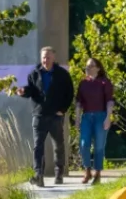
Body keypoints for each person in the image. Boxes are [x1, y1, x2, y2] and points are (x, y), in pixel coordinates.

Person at [19, 47, 74, 187]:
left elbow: (70, 93)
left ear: (53, 58)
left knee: (58, 146)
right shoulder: (34, 73)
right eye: (44, 57)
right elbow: (31, 90)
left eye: (48, 57)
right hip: (39, 115)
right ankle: (39, 175)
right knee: (38, 147)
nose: (45, 60)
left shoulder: (62, 74)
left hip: (55, 116)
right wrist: (23, 91)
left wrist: (63, 109)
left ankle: (59, 173)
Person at [76, 58, 115, 185]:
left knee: (99, 146)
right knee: (83, 144)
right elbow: (78, 103)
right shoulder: (83, 83)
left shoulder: (104, 82)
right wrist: (77, 119)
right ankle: (87, 170)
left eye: (91, 66)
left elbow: (109, 101)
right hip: (87, 117)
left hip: (101, 116)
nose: (88, 68)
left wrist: (108, 118)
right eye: (87, 66)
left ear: (98, 68)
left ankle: (97, 173)